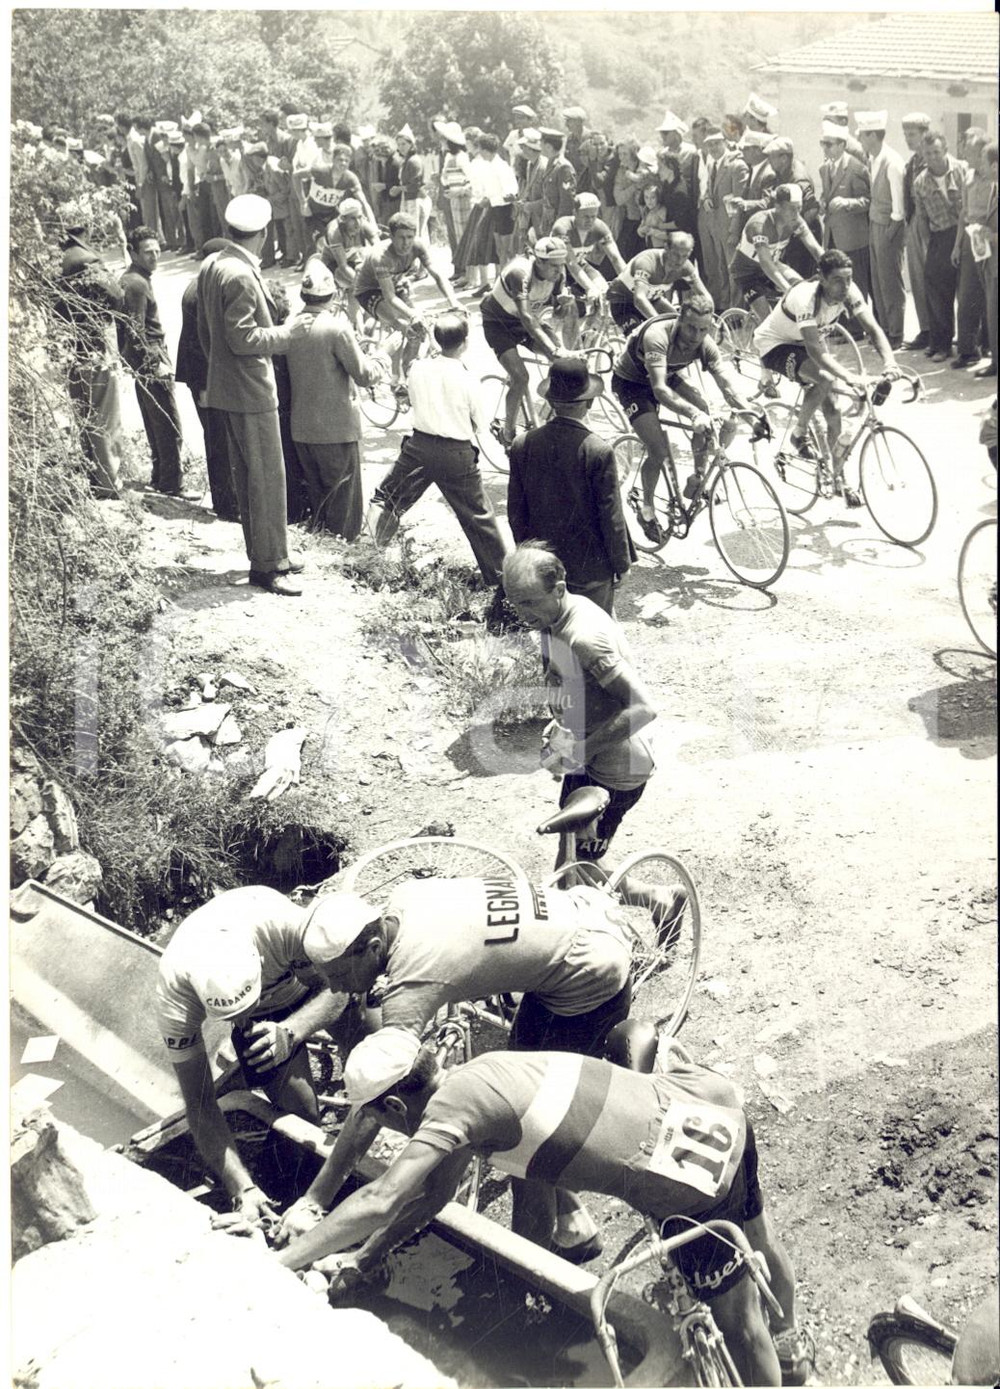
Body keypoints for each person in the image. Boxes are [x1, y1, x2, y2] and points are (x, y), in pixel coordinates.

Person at [275, 1032, 814, 1387]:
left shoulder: (450, 1112)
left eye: (379, 1122)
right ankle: (795, 1356)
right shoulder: (480, 1074)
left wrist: (281, 1264)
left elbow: (382, 1197)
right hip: (706, 1101)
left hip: (689, 1180)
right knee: (760, 1241)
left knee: (741, 1325)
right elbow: (435, 1198)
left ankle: (776, 1369)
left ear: (394, 1106)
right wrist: (362, 1259)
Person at [272, 874, 640, 1263]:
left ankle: (532, 1265)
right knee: (522, 1096)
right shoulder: (402, 900)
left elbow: (382, 1087)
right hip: (580, 918)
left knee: (529, 1144)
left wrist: (315, 1201)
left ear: (373, 947)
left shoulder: (413, 982)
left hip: (588, 972)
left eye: (340, 976)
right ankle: (570, 1217)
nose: (338, 990)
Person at [155, 885, 367, 1225]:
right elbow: (200, 1105)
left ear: (259, 963)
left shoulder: (279, 924)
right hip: (267, 1012)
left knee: (377, 1053)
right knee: (302, 1114)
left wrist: (292, 1031)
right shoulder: (174, 998)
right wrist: (242, 1190)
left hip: (312, 980)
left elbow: (341, 986)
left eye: (245, 1007)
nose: (237, 1021)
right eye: (229, 1018)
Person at [504, 541, 657, 874]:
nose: (521, 614)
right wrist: (560, 724)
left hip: (616, 773)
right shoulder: (556, 615)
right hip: (587, 758)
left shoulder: (584, 636)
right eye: (514, 603)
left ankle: (662, 900)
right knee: (570, 859)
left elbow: (643, 708)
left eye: (529, 602)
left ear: (558, 589)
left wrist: (582, 749)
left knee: (584, 867)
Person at [197, 193, 314, 596]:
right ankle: (267, 566)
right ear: (262, 234)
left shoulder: (215, 263)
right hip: (250, 389)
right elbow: (243, 337)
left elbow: (206, 332)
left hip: (229, 387)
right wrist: (289, 334)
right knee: (265, 478)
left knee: (254, 478)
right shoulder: (241, 275)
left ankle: (273, 552)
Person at [752, 248, 901, 505]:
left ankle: (840, 479)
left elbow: (873, 329)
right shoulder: (805, 297)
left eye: (849, 279)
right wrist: (849, 377)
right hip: (776, 344)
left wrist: (890, 363)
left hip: (807, 343)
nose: (845, 287)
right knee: (828, 379)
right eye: (837, 280)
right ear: (821, 278)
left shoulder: (849, 291)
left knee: (833, 412)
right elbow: (814, 350)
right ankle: (798, 434)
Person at [371, 312, 508, 585]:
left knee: (387, 499)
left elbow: (410, 392)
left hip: (418, 448)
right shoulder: (468, 378)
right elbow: (480, 425)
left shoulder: (418, 368)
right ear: (465, 342)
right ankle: (501, 581)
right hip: (456, 453)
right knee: (479, 519)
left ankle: (375, 558)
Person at [611, 295, 764, 532]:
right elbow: (659, 389)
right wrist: (693, 414)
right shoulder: (657, 336)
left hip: (668, 374)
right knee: (659, 450)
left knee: (708, 412)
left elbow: (728, 387)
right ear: (679, 318)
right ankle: (647, 511)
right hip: (632, 383)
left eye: (703, 329)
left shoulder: (705, 343)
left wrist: (753, 419)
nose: (695, 336)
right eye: (691, 327)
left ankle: (698, 478)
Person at [507, 358, 633, 615]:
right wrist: (622, 563)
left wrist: (529, 557)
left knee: (553, 634)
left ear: (551, 402)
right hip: (591, 570)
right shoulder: (598, 449)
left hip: (544, 568)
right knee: (594, 634)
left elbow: (515, 512)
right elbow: (611, 516)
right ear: (589, 403)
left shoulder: (523, 444)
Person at [283, 261, 379, 540]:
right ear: (334, 295)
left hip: (302, 430)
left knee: (321, 505)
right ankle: (344, 559)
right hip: (336, 431)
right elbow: (364, 375)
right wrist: (384, 355)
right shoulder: (336, 328)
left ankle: (326, 553)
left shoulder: (291, 326)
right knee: (345, 513)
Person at [353, 212, 462, 394]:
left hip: (395, 285)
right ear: (391, 237)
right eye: (401, 238)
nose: (406, 243)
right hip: (369, 291)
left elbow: (438, 275)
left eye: (410, 237)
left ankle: (408, 371)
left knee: (418, 330)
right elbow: (389, 298)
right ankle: (396, 379)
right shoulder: (381, 256)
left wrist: (454, 302)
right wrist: (412, 315)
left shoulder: (418, 246)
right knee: (402, 325)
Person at [480, 236, 571, 449]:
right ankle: (508, 434)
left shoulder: (557, 273)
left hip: (528, 321)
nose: (560, 271)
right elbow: (526, 317)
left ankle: (550, 414)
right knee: (520, 377)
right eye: (555, 267)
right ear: (539, 262)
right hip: (499, 324)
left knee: (562, 363)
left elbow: (556, 313)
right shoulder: (519, 273)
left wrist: (564, 305)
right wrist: (553, 348)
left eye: (562, 265)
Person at [175, 237, 240, 521]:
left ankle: (227, 501)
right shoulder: (200, 291)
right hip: (204, 379)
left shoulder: (198, 286)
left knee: (219, 438)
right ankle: (227, 505)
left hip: (205, 378)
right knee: (218, 440)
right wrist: (202, 386)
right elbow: (197, 344)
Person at [54, 242, 126, 499]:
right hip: (96, 351)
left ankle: (95, 479)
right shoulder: (88, 260)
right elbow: (117, 296)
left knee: (84, 417)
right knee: (105, 418)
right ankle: (109, 484)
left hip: (72, 354)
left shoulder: (58, 263)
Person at [118, 225, 186, 496]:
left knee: (157, 422)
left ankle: (161, 479)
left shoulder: (136, 278)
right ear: (132, 252)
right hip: (151, 357)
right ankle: (171, 484)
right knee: (170, 425)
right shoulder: (136, 283)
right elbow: (136, 330)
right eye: (147, 252)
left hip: (144, 359)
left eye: (157, 251)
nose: (155, 256)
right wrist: (154, 364)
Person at [729, 184, 823, 324]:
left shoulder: (795, 221)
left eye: (799, 208)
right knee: (770, 322)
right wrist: (787, 289)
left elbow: (815, 249)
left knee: (802, 290)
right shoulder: (759, 224)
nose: (796, 214)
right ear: (778, 207)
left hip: (774, 265)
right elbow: (766, 263)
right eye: (792, 208)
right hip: (747, 274)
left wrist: (831, 269)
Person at [855, 111, 907, 349]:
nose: (861, 141)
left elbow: (898, 207)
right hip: (875, 225)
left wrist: (888, 234)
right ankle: (884, 329)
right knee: (878, 282)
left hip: (889, 227)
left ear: (873, 135)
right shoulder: (874, 160)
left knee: (890, 283)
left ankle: (896, 332)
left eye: (863, 136)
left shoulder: (892, 162)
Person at [912, 132, 965, 363]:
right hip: (940, 236)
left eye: (936, 152)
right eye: (928, 153)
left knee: (968, 290)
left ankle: (973, 345)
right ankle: (940, 343)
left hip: (964, 232)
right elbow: (922, 218)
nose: (933, 157)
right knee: (935, 288)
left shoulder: (962, 170)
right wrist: (926, 245)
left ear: (945, 150)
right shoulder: (920, 182)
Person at [551, 191, 627, 349]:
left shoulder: (599, 227)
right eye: (586, 216)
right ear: (575, 213)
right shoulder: (562, 227)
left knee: (604, 294)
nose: (590, 221)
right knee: (571, 309)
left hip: (581, 266)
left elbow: (615, 258)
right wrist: (590, 288)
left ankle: (586, 343)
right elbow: (571, 265)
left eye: (594, 216)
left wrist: (629, 283)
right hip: (558, 271)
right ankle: (571, 354)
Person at [606, 232, 708, 332]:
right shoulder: (647, 262)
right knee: (645, 339)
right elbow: (639, 299)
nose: (680, 261)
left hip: (652, 300)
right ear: (667, 248)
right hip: (623, 302)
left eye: (685, 256)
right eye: (676, 254)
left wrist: (708, 315)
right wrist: (659, 325)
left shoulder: (685, 267)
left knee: (682, 328)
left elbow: (704, 295)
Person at [953, 129, 993, 373]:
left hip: (990, 238)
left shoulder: (994, 178)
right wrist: (958, 245)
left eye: (970, 151)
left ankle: (989, 347)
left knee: (991, 297)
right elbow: (963, 214)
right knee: (967, 296)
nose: (966, 155)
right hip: (971, 238)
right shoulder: (968, 176)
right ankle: (968, 351)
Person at [819, 122, 872, 302]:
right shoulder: (825, 168)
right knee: (835, 285)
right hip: (833, 236)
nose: (825, 148)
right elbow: (827, 194)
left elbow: (867, 200)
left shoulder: (856, 168)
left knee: (856, 286)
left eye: (829, 144)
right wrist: (822, 202)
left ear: (842, 145)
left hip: (853, 239)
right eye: (823, 143)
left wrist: (846, 203)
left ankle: (857, 329)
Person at [696, 124, 748, 311]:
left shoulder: (736, 165)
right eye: (709, 145)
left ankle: (736, 310)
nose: (713, 148)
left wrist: (734, 231)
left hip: (730, 227)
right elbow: (710, 189)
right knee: (720, 269)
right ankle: (724, 306)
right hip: (716, 225)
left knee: (732, 270)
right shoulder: (711, 163)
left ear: (725, 142)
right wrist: (708, 198)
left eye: (717, 143)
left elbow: (739, 202)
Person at [316, 199, 378, 329]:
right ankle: (356, 326)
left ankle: (369, 317)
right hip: (334, 264)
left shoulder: (363, 224)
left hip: (353, 259)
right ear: (343, 219)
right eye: (353, 219)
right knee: (354, 286)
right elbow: (343, 267)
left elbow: (379, 250)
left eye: (360, 217)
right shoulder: (335, 231)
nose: (358, 223)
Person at [901, 112, 932, 350]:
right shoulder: (911, 163)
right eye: (905, 134)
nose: (907, 139)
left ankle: (938, 330)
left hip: (932, 227)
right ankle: (926, 329)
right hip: (914, 225)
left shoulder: (932, 160)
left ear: (925, 134)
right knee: (918, 280)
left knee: (933, 280)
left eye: (912, 134)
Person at [394, 124, 432, 242]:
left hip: (416, 200)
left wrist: (399, 189)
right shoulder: (406, 161)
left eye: (404, 144)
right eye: (399, 144)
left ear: (411, 144)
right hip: (408, 199)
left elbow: (415, 185)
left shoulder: (414, 161)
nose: (401, 147)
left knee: (415, 232)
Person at [539, 128, 577, 235]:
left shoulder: (563, 167)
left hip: (557, 223)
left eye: (541, 143)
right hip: (548, 221)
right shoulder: (551, 164)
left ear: (548, 147)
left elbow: (567, 201)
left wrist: (560, 227)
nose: (539, 146)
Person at [655, 112, 697, 203]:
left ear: (677, 134)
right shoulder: (661, 154)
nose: (662, 136)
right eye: (661, 133)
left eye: (665, 133)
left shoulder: (692, 152)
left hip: (687, 201)